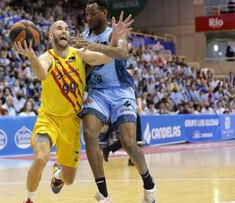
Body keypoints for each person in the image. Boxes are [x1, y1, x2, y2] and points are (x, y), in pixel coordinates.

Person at [15, 19, 126, 203]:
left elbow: (106, 58)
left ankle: (57, 173)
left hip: (72, 123)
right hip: (48, 119)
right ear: (51, 35)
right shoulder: (47, 57)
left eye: (67, 28)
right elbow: (41, 73)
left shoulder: (80, 54)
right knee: (41, 158)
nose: (64, 31)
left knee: (69, 179)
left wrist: (114, 37)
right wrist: (31, 55)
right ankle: (30, 198)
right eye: (59, 28)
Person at [71, 1, 156, 202]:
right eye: (86, 14)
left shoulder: (116, 31)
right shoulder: (84, 36)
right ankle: (104, 194)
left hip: (121, 91)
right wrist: (88, 58)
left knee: (128, 143)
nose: (88, 18)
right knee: (90, 134)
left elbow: (122, 53)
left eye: (92, 14)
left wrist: (94, 48)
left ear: (104, 12)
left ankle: (148, 182)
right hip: (97, 92)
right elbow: (86, 69)